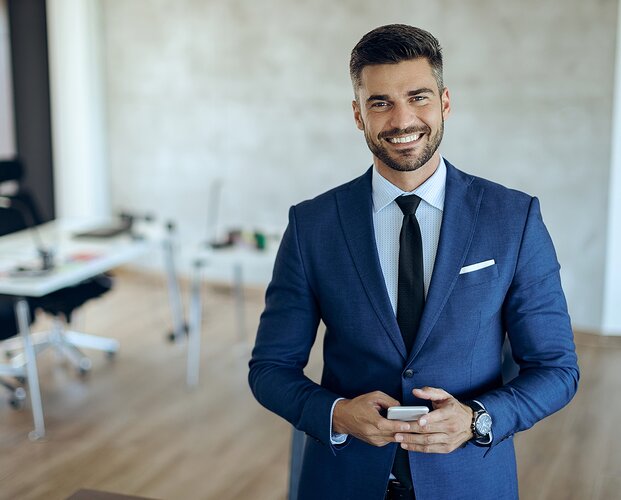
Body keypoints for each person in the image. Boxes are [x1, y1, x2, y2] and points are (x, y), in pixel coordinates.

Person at [248, 24, 579, 500]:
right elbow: (270, 368)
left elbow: (557, 368)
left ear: (445, 103)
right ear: (358, 115)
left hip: (468, 480)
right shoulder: (312, 225)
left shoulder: (514, 218)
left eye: (418, 97)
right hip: (342, 481)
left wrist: (477, 419)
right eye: (380, 102)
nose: (402, 120)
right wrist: (337, 413)